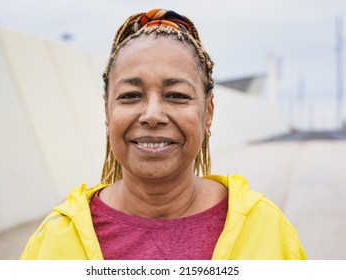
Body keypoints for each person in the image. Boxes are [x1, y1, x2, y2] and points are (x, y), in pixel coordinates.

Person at [20, 8, 306, 260]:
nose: (153, 115)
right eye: (131, 95)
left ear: (208, 113)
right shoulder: (54, 240)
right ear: (107, 113)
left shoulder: (266, 228)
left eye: (176, 95)